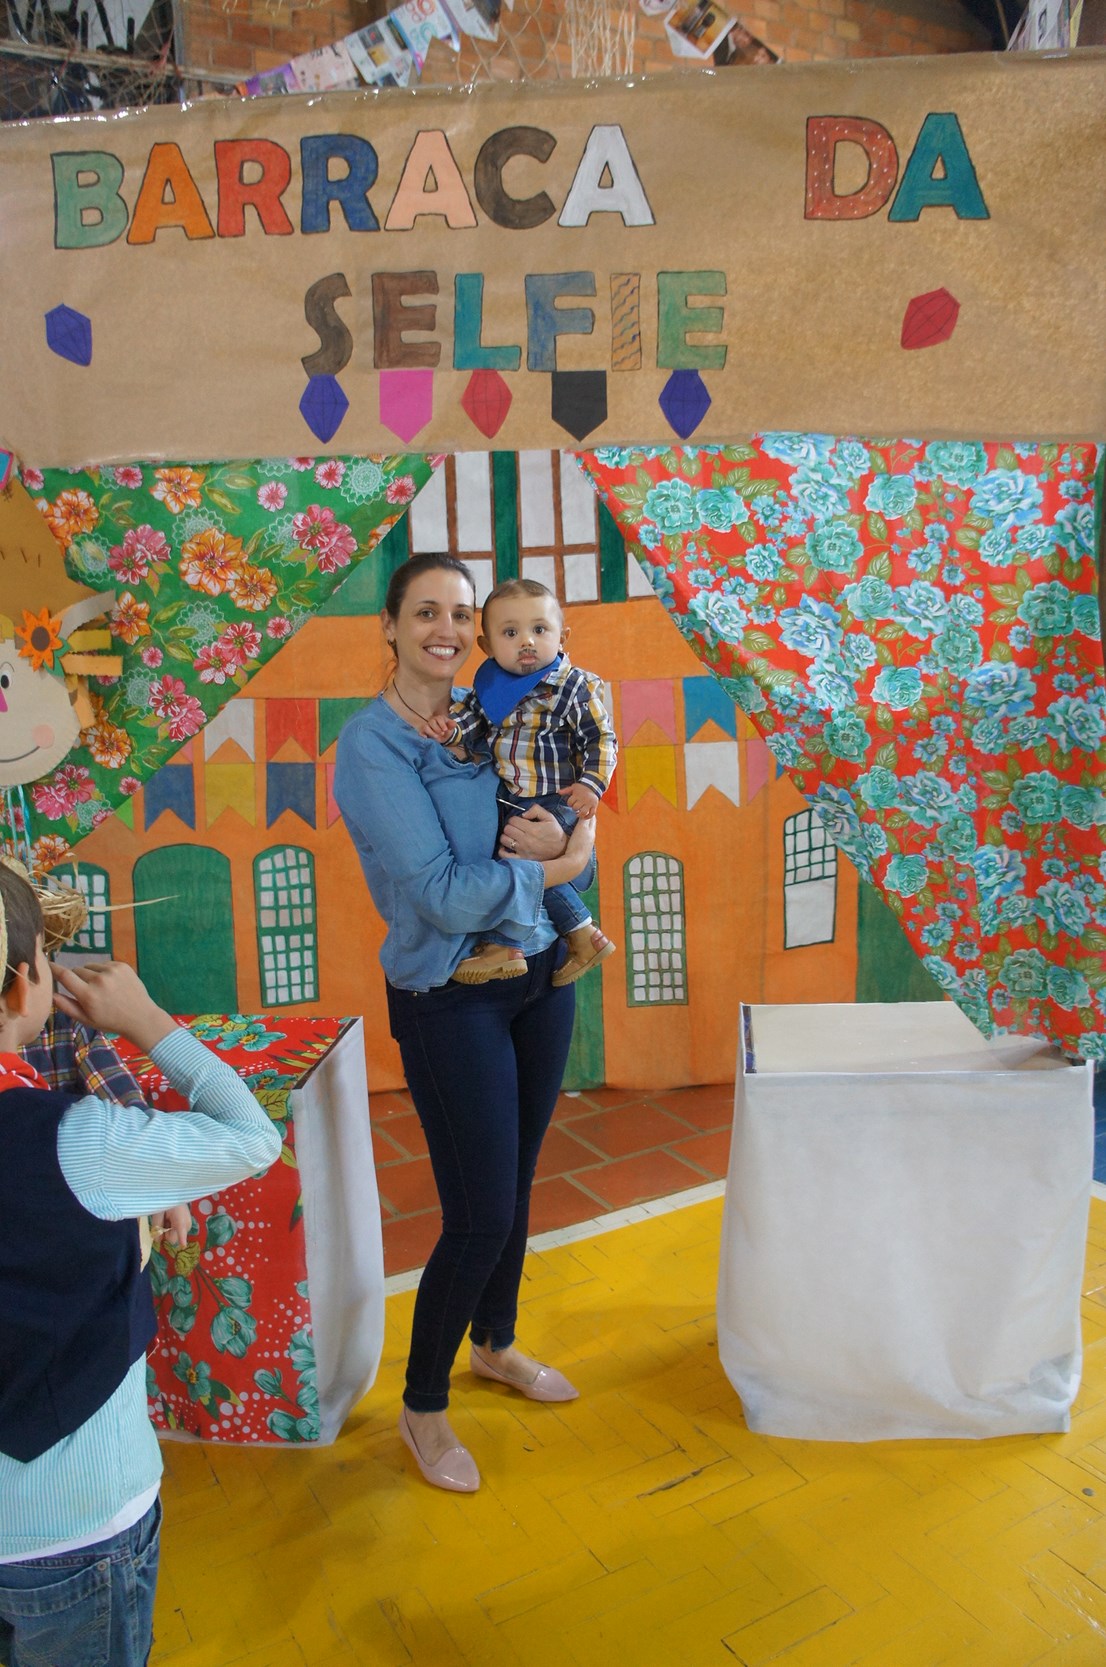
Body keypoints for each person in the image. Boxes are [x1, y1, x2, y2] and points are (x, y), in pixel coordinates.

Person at [334, 553, 597, 1495]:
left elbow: (573, 797)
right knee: (479, 1212)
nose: (445, 629)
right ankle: (422, 1404)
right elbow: (443, 897)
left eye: (459, 613)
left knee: (515, 1187)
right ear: (390, 626)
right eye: (425, 612)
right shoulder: (372, 747)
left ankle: (495, 1341)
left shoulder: (490, 710)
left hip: (540, 974)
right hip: (450, 992)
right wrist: (557, 869)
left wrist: (579, 836)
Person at [0, 861, 282, 1667]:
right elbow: (252, 1137)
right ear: (23, 986)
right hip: (77, 1521)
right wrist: (149, 1020)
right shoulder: (79, 1142)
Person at [422, 577, 618, 989]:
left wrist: (591, 785)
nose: (527, 641)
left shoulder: (571, 687)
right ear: (487, 646)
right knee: (518, 863)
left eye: (539, 629)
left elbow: (601, 739)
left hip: (555, 798)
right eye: (510, 633)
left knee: (518, 863)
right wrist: (451, 730)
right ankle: (582, 935)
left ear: (562, 637)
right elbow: (473, 722)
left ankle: (506, 946)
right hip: (513, 797)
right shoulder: (490, 688)